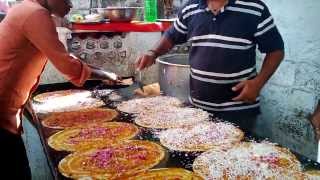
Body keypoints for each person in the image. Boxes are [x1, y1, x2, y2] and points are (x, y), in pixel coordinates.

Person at [0, 0, 120, 179]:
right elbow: (68, 66)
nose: (71, 5)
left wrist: (98, 70)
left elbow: (61, 54)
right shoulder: (36, 14)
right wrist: (107, 75)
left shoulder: (26, 8)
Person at [136, 0, 284, 133]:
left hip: (238, 109)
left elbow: (276, 50)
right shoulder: (190, 8)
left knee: (234, 159)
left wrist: (258, 83)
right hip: (199, 109)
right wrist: (153, 53)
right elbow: (171, 36)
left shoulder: (254, 9)